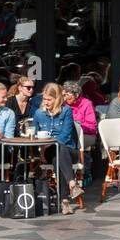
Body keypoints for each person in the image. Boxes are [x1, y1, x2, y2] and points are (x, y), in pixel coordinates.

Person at [34, 82, 83, 211]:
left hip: (69, 150)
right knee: (56, 154)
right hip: (50, 151)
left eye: (49, 99)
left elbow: (65, 136)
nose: (46, 102)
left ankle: (66, 196)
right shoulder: (39, 113)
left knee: (59, 149)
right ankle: (70, 189)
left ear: (57, 99)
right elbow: (33, 133)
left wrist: (52, 142)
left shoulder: (66, 111)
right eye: (44, 99)